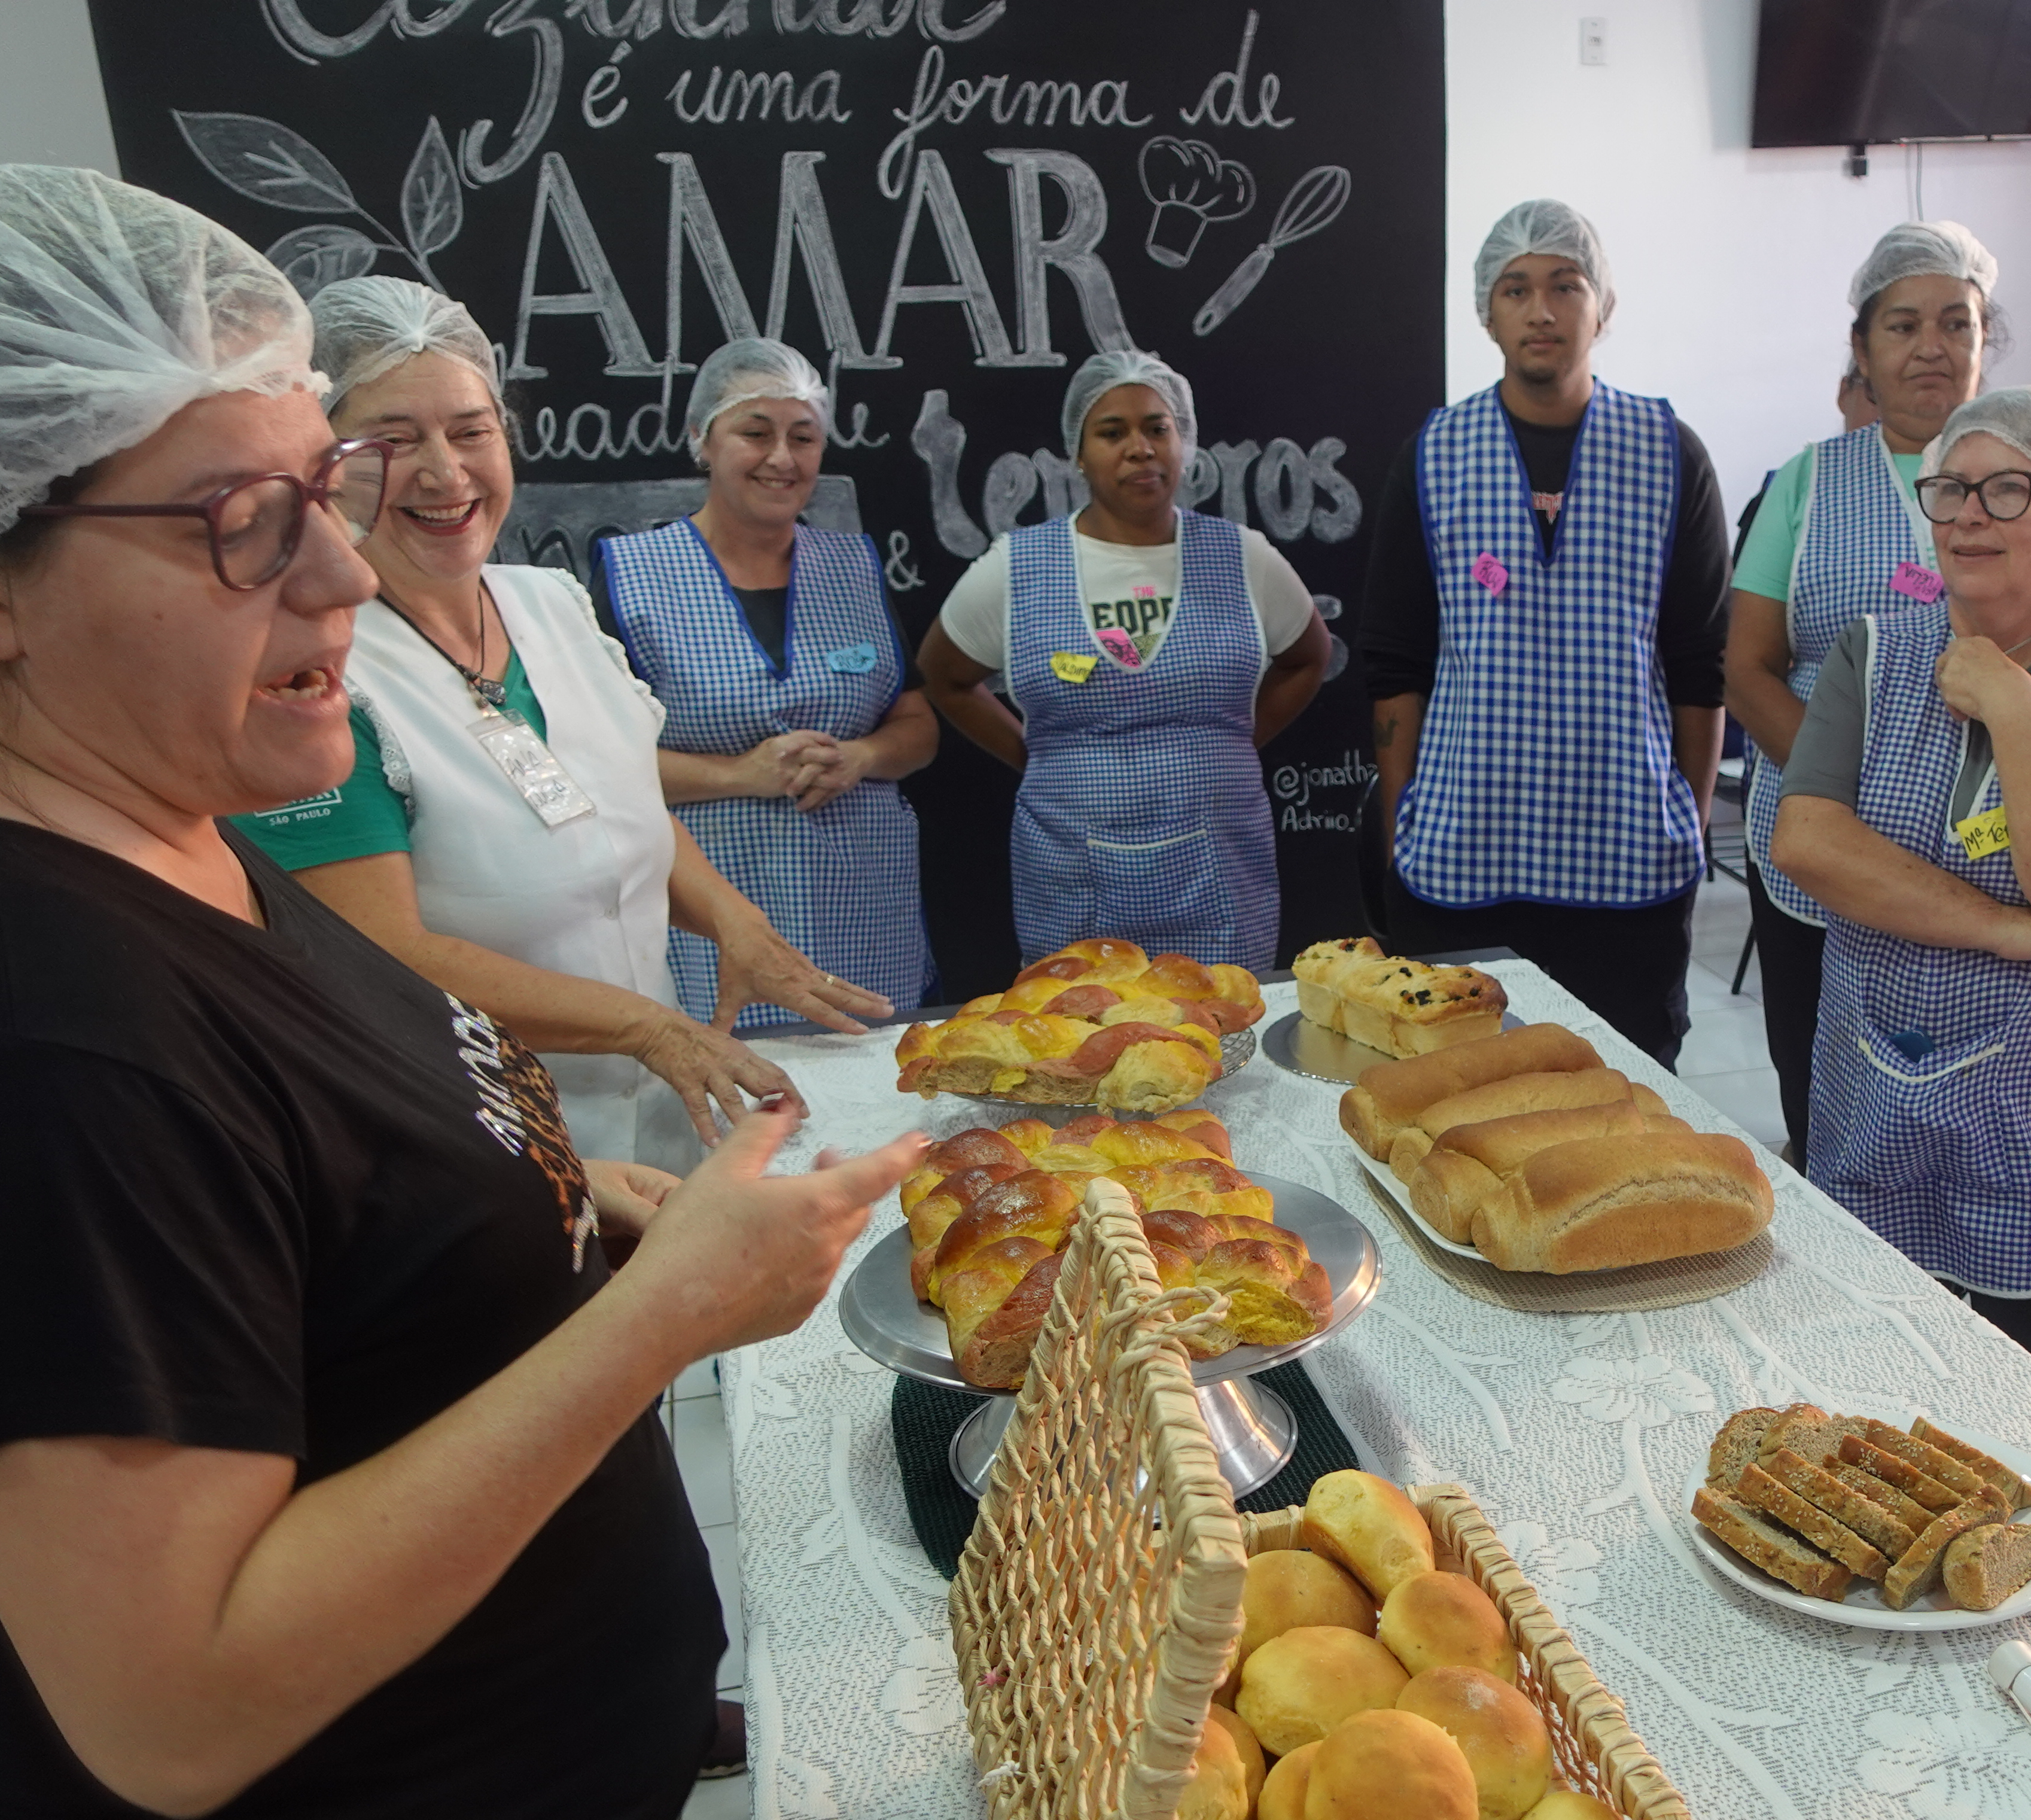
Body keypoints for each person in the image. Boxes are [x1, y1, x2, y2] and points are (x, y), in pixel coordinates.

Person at [0, 166, 922, 1820]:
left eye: (320, 495)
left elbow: (323, 1236)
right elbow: (169, 1699)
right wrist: (650, 1320)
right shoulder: (63, 1031)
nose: (338, 577)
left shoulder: (183, 834)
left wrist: (576, 1216)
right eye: (244, 528)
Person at [233, 279, 888, 1174]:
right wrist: (645, 1026)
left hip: (661, 1118)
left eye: (471, 431)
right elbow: (380, 950)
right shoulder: (319, 673)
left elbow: (613, 805)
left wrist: (734, 923)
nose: (443, 472)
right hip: (477, 1145)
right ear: (322, 461)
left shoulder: (550, 607)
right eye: (392, 441)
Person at [1773, 387, 2031, 1387]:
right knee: (1864, 1358)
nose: (1962, 515)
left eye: (2006, 490)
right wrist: (2003, 927)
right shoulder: (1868, 655)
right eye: (1948, 487)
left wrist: (2011, 700)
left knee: (2027, 1378)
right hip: (1873, 1071)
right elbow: (1808, 842)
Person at [1358, 201, 1731, 1066]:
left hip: (1626, 852)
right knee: (1452, 1087)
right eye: (1514, 289)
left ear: (1601, 305)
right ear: (1485, 313)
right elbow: (1395, 660)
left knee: (1627, 1084)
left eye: (1564, 286)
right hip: (1461, 849)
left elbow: (1698, 663)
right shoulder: (1435, 452)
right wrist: (1401, 824)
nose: (1540, 310)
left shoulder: (1668, 453)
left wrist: (1688, 813)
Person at [1728, 221, 2006, 1171]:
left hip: (1986, 851)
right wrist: (1846, 798)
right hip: (1817, 847)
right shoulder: (1806, 482)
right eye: (1901, 325)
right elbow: (1747, 665)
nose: (1930, 346)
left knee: (1971, 1110)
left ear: (1982, 340)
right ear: (1861, 348)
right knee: (1823, 1102)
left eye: (1955, 322)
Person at [920, 349, 1326, 973]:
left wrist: (1232, 741)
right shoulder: (1016, 567)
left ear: (1183, 441)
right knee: (1078, 1040)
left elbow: (1308, 657)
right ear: (1077, 452)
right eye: (1112, 432)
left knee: (1220, 1037)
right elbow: (944, 675)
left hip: (1218, 876)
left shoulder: (1243, 557)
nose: (1140, 448)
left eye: (1156, 428)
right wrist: (1039, 754)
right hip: (1071, 878)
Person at [594, 337, 937, 1030]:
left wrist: (860, 757)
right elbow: (594, 762)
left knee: (881, 1110)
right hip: (711, 922)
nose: (782, 457)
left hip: (865, 918)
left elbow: (919, 726)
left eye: (803, 437)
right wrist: (739, 775)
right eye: (755, 432)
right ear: (702, 439)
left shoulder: (852, 567)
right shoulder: (633, 576)